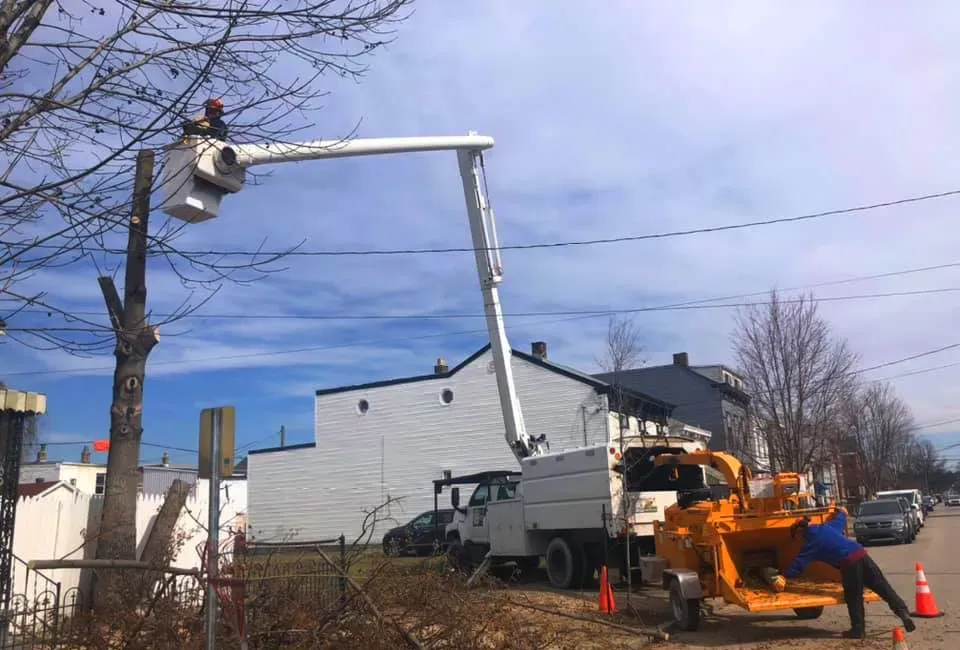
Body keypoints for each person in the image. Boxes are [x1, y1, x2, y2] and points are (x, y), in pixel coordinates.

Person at [785, 510, 915, 639]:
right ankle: (903, 613)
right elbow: (842, 517)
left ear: (801, 531)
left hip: (849, 564)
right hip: (863, 556)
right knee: (884, 588)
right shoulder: (828, 527)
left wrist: (783, 577)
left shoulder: (811, 544)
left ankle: (858, 630)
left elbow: (798, 565)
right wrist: (840, 511)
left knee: (854, 597)